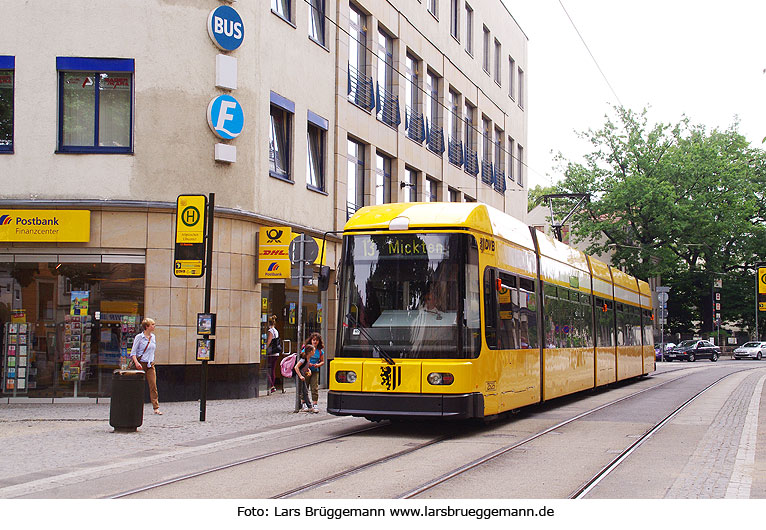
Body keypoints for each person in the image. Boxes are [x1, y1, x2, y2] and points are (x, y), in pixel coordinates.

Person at [131, 317, 162, 415]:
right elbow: (133, 352)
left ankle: (155, 407)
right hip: (141, 364)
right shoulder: (139, 337)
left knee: (153, 385)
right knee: (137, 386)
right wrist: (137, 363)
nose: (154, 326)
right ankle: (134, 405)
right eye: (152, 324)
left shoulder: (153, 337)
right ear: (147, 327)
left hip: (150, 364)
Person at [304, 332, 325, 412]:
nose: (315, 342)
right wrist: (308, 364)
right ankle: (304, 403)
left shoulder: (320, 351)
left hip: (315, 371)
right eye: (313, 340)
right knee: (305, 387)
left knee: (314, 387)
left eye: (317, 340)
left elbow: (322, 361)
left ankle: (315, 404)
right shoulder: (307, 348)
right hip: (306, 370)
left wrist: (318, 365)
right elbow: (302, 358)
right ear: (311, 340)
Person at [294, 345, 318, 413]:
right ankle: (309, 406)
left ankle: (300, 406)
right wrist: (300, 376)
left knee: (302, 391)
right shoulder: (303, 359)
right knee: (304, 391)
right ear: (310, 352)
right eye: (313, 351)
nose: (314, 352)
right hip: (299, 375)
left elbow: (306, 366)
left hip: (302, 375)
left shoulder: (308, 358)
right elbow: (296, 367)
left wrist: (309, 370)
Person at [265, 315, 280, 394]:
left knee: (266, 370)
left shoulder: (270, 331)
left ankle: (271, 386)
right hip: (276, 353)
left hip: (271, 353)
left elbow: (269, 341)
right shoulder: (276, 330)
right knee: (272, 370)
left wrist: (265, 348)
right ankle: (272, 385)